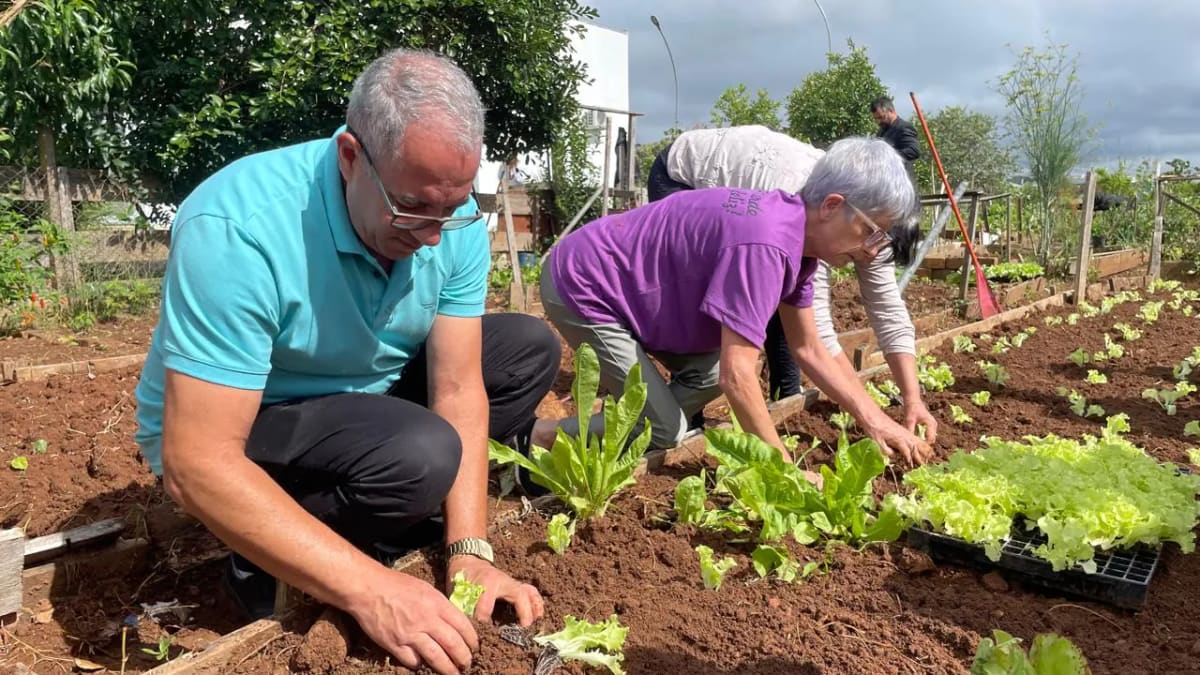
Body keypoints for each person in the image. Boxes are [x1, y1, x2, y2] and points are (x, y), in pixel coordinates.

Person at [133, 49, 558, 675]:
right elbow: (195, 461)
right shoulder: (239, 226)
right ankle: (260, 563)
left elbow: (461, 386)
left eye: (454, 207)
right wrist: (373, 592)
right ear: (351, 158)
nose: (436, 233)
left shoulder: (447, 213)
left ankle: (382, 515)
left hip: (364, 398)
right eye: (414, 209)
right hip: (252, 417)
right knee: (422, 453)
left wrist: (469, 552)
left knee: (527, 349)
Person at [529, 137, 934, 473]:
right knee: (667, 430)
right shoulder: (766, 244)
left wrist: (876, 421)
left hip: (632, 293)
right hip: (584, 287)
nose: (870, 250)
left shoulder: (801, 246)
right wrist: (782, 472)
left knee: (706, 376)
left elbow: (809, 348)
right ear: (831, 206)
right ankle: (545, 434)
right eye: (869, 231)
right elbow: (739, 379)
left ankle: (636, 419)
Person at [645, 125, 938, 442]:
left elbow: (885, 309)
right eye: (873, 237)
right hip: (684, 176)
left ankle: (781, 395)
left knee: (785, 311)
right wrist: (874, 419)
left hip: (776, 211)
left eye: (881, 244)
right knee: (717, 310)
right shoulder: (816, 217)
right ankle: (687, 420)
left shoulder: (869, 226)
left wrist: (912, 399)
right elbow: (818, 336)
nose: (871, 252)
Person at [870, 96, 921, 186]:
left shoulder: (904, 128)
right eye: (876, 119)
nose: (878, 122)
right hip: (887, 186)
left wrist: (887, 156)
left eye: (881, 117)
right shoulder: (881, 131)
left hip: (902, 187)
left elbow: (914, 151)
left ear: (891, 111)